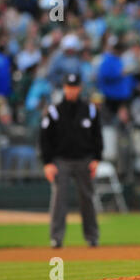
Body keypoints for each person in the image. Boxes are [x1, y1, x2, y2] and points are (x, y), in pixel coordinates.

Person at [39, 73, 103, 249]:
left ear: (79, 88)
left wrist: (97, 158)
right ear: (64, 88)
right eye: (69, 87)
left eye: (74, 87)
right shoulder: (54, 110)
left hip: (85, 159)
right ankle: (56, 238)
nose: (72, 90)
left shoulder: (90, 109)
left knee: (87, 198)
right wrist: (48, 163)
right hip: (61, 160)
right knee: (59, 200)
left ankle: (92, 236)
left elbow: (98, 136)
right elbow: (45, 138)